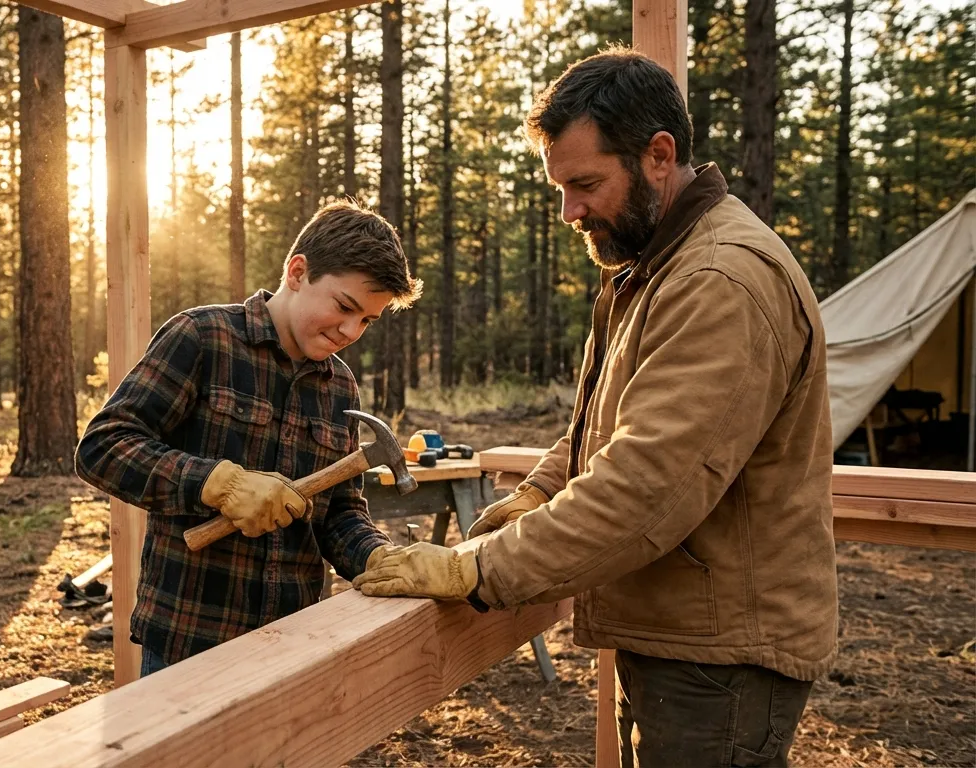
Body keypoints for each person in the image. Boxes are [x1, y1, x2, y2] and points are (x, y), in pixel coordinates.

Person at [352, 47, 837, 768]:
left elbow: (648, 485)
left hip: (722, 661)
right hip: (684, 634)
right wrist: (539, 493)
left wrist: (478, 570)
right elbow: (603, 431)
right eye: (561, 187)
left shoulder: (719, 281)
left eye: (584, 184)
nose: (569, 211)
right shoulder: (656, 267)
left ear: (659, 156)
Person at [76, 200, 423, 677]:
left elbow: (339, 512)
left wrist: (377, 557)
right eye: (345, 307)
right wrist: (216, 483)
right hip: (191, 641)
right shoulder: (203, 338)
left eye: (367, 320)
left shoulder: (338, 385)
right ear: (298, 272)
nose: (350, 331)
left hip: (293, 640)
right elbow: (104, 447)